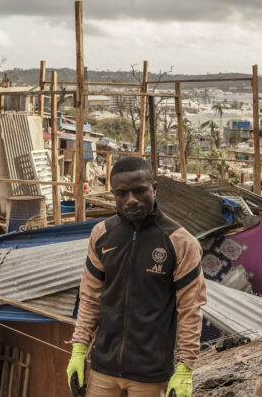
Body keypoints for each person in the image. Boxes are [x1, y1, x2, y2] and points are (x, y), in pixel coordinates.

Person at [67, 156, 207, 397]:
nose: (131, 200)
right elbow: (90, 298)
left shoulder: (181, 242)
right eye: (121, 193)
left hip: (150, 374)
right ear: (113, 194)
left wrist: (185, 369)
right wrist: (79, 349)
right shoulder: (101, 234)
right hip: (103, 369)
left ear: (154, 188)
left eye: (139, 191)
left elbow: (190, 310)